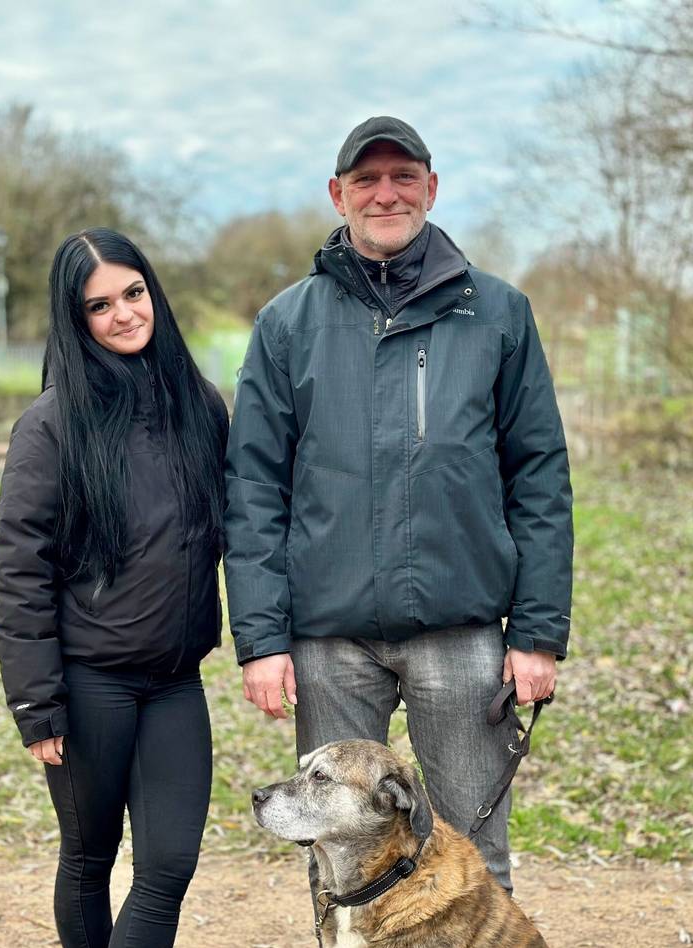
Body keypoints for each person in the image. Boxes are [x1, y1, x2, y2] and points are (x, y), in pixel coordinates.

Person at [224, 116, 573, 895]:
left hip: (462, 636)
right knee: (339, 859)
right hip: (328, 640)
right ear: (337, 194)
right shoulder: (287, 324)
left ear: (432, 187)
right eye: (367, 180)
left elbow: (539, 477)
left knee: (472, 857)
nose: (386, 194)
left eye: (403, 177)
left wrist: (540, 632)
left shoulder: (498, 315)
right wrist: (260, 639)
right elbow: (251, 489)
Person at [0, 228, 228, 948]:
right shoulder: (52, 426)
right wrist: (37, 702)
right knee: (90, 862)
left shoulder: (202, 408)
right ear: (76, 320)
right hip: (88, 685)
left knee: (168, 868)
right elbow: (19, 567)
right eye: (101, 305)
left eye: (134, 292)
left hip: (176, 683)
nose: (125, 313)